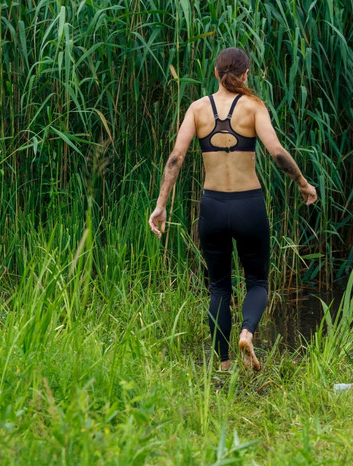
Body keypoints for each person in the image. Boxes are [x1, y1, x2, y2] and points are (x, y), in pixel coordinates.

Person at [148, 47, 317, 371]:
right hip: (248, 205)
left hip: (212, 207)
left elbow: (176, 157)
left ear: (215, 73)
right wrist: (302, 183)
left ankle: (224, 364)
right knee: (257, 282)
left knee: (219, 287)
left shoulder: (198, 109)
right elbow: (277, 152)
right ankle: (247, 333)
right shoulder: (253, 107)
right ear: (245, 75)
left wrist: (161, 205)